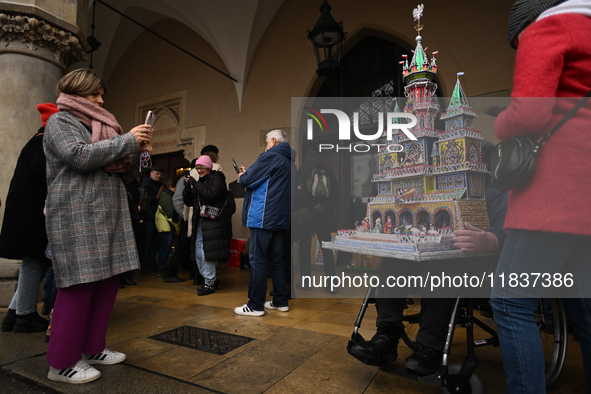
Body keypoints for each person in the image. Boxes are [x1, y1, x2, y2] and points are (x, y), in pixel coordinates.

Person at [490, 1, 591, 392]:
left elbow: (528, 115)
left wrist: (500, 122)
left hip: (553, 195)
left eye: (518, 44)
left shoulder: (548, 29)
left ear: (527, 25)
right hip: (585, 198)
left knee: (510, 302)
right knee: (584, 312)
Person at [349, 141, 508, 375]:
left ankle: (429, 347)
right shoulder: (437, 188)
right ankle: (387, 335)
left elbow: (507, 228)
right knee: (394, 259)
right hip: (426, 258)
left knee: (441, 270)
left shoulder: (494, 192)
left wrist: (492, 239)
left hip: (468, 265)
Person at [43, 69, 152, 384]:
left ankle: (93, 348)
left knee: (106, 285)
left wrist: (137, 151)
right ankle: (61, 363)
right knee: (78, 286)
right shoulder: (60, 122)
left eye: (102, 94)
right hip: (78, 215)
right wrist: (126, 140)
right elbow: (77, 156)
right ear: (77, 94)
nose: (102, 100)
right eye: (95, 94)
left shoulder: (103, 128)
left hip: (109, 215)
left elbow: (124, 176)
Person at [0, 103, 59, 334]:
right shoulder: (45, 140)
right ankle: (25, 316)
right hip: (32, 215)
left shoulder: (37, 138)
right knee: (34, 262)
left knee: (32, 262)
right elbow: (43, 170)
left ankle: (14, 314)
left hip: (26, 214)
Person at [234, 129, 292, 316]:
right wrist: (248, 176)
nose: (266, 145)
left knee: (258, 260)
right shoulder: (289, 161)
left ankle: (255, 305)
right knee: (276, 260)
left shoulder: (270, 157)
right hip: (280, 218)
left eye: (267, 142)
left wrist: (242, 176)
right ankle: (280, 301)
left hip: (263, 217)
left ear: (273, 141)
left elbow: (248, 181)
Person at [183, 155, 235, 296]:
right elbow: (188, 202)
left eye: (201, 168)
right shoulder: (200, 181)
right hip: (200, 222)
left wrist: (195, 183)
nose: (199, 171)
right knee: (199, 253)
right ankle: (208, 279)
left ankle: (209, 283)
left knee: (206, 253)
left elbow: (211, 195)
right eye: (197, 168)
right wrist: (188, 187)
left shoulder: (217, 177)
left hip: (213, 224)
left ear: (208, 167)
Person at [295, 150, 340, 294]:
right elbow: (336, 193)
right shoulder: (327, 170)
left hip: (308, 216)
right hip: (324, 216)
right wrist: (324, 206)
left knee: (305, 249)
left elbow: (300, 192)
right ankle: (332, 285)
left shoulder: (303, 169)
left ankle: (306, 283)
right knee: (327, 249)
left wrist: (312, 206)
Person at [141, 165, 164, 273]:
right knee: (147, 242)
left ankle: (151, 263)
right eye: (157, 174)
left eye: (160, 174)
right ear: (151, 173)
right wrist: (156, 197)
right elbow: (146, 199)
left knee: (155, 242)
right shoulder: (146, 183)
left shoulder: (160, 184)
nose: (159, 176)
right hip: (148, 217)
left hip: (157, 217)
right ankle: (145, 264)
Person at [155, 180, 180, 278]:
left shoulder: (166, 195)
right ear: (171, 188)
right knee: (165, 246)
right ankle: (161, 268)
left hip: (165, 225)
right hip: (164, 226)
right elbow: (170, 214)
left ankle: (162, 267)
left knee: (166, 247)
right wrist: (178, 227)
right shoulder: (166, 197)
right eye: (175, 188)